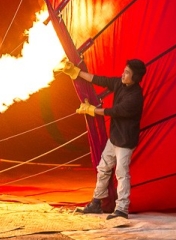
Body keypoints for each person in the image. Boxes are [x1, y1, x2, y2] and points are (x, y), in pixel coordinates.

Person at [60, 58, 147, 220]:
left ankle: (121, 209)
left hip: (126, 141)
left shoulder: (135, 97)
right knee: (103, 168)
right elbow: (100, 80)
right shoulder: (121, 84)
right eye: (124, 70)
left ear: (135, 78)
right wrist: (77, 73)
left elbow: (115, 111)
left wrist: (92, 110)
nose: (123, 74)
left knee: (122, 173)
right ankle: (96, 203)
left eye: (127, 73)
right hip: (114, 137)